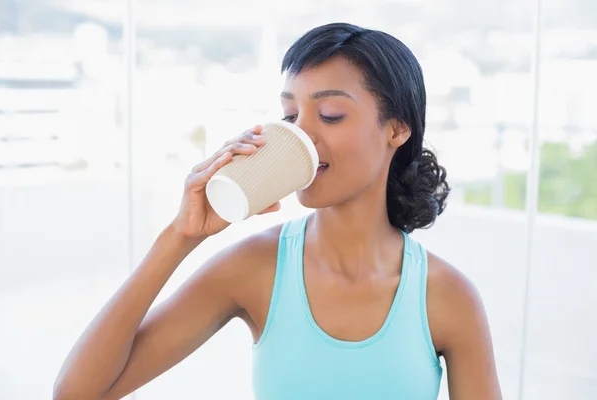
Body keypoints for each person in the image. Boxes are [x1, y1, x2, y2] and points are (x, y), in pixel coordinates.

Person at [53, 22, 502, 400]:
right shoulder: (254, 268)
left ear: (397, 129)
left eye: (328, 115)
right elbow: (76, 394)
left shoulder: (448, 297)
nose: (301, 136)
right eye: (290, 117)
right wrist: (180, 237)